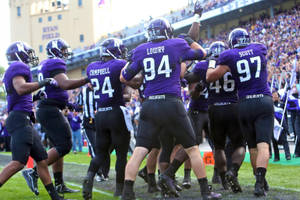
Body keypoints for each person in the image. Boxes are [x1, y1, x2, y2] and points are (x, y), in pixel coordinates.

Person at [120, 17, 221, 200]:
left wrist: (128, 61)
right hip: (171, 103)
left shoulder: (141, 49)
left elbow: (123, 77)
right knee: (192, 149)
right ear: (167, 31)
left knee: (139, 151)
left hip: (150, 104)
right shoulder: (176, 44)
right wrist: (190, 41)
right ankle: (205, 191)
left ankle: (127, 193)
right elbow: (202, 53)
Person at [206, 28, 273, 197]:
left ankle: (260, 181)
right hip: (263, 100)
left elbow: (212, 76)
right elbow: (265, 65)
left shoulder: (229, 55)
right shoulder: (259, 48)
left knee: (252, 147)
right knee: (263, 145)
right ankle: (260, 182)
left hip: (243, 104)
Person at [22, 38, 89, 195]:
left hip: (49, 107)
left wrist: (68, 105)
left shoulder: (47, 64)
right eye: (63, 49)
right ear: (56, 50)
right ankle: (34, 171)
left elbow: (55, 90)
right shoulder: (54, 63)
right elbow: (64, 84)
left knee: (57, 147)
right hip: (49, 109)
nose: (66, 52)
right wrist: (86, 78)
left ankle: (59, 184)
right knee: (65, 145)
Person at [0, 41, 66, 200]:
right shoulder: (18, 67)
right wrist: (43, 82)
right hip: (19, 119)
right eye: (28, 53)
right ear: (19, 53)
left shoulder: (14, 69)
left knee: (42, 160)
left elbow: (18, 96)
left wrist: (35, 97)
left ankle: (55, 197)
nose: (30, 56)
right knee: (18, 162)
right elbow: (20, 88)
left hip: (22, 119)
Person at [186, 41, 246, 192]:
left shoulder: (203, 66)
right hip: (233, 107)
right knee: (239, 145)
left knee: (218, 148)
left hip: (214, 109)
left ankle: (224, 179)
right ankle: (233, 172)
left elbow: (189, 80)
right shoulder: (234, 62)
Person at [82, 38, 132, 199]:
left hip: (100, 114)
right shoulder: (118, 64)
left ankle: (89, 177)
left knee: (100, 153)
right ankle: (119, 189)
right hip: (116, 112)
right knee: (121, 154)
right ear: (114, 51)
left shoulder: (91, 67)